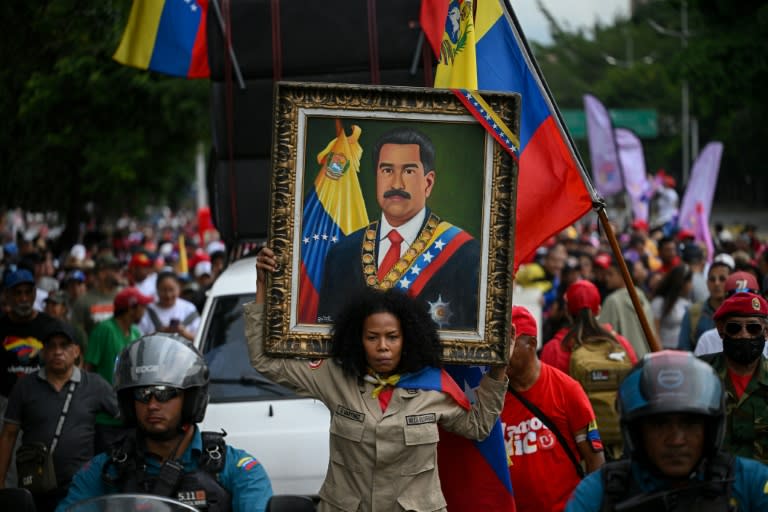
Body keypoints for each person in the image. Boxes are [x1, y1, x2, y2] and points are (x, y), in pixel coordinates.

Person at [247, 247, 508, 512]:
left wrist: (498, 370)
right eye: (372, 337)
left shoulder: (433, 385)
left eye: (392, 337)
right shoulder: (335, 376)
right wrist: (261, 289)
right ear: (358, 340)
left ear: (407, 339)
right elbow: (266, 362)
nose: (382, 346)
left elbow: (477, 426)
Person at [57, 334, 273, 512]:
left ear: (191, 400)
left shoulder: (236, 469)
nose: (152, 405)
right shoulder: (106, 470)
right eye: (142, 394)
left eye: (165, 393)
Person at [316, 127, 481, 329]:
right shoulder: (342, 253)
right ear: (377, 177)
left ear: (428, 183)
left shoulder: (466, 255)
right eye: (387, 170)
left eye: (408, 171)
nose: (396, 183)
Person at [566, 350, 768, 512]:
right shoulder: (600, 491)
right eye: (659, 425)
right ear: (636, 432)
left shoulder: (751, 482)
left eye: (690, 424)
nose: (676, 440)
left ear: (711, 429)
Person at [0, 320, 118, 512]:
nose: (57, 351)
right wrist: (1, 482)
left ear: (77, 351)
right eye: (51, 346)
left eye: (64, 345)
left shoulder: (95, 385)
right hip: (35, 485)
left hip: (81, 486)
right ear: (43, 352)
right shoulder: (25, 386)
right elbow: (8, 435)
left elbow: (125, 416)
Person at [503, 306, 604, 512]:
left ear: (532, 344)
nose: (501, 354)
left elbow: (596, 461)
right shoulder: (492, 396)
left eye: (510, 345)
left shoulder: (567, 390)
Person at [699, 292, 768, 463]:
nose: (744, 335)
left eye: (753, 328)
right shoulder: (699, 375)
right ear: (721, 330)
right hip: (710, 483)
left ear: (765, 332)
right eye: (734, 328)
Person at [85, 287, 153, 452]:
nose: (144, 311)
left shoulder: (136, 333)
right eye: (142, 306)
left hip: (131, 416)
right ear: (131, 308)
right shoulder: (104, 330)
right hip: (106, 419)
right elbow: (88, 370)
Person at [598, 255, 656, 358]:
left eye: (611, 274)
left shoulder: (612, 300)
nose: (606, 278)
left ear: (623, 275)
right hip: (647, 357)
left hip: (626, 360)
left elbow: (602, 334)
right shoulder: (641, 294)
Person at [693, 271, 763, 356]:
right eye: (736, 301)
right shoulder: (707, 340)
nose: (742, 306)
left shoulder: (764, 339)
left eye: (753, 328)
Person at [678, 259, 732, 351]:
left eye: (722, 279)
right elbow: (684, 349)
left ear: (731, 282)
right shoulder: (693, 312)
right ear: (707, 283)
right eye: (712, 279)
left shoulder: (738, 313)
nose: (716, 283)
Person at [138, 271, 200, 342]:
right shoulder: (148, 311)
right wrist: (160, 333)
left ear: (179, 288)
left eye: (171, 290)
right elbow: (139, 340)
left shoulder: (189, 309)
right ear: (157, 290)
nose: (168, 295)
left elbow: (198, 340)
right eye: (164, 290)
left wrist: (183, 332)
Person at [71, 254, 123, 337]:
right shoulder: (83, 301)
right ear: (101, 273)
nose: (120, 272)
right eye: (115, 269)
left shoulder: (123, 298)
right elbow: (77, 332)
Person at [650, 264, 693, 348]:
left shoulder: (687, 302)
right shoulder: (659, 302)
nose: (691, 285)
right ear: (682, 283)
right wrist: (659, 351)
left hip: (683, 350)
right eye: (690, 281)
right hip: (666, 349)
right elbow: (655, 331)